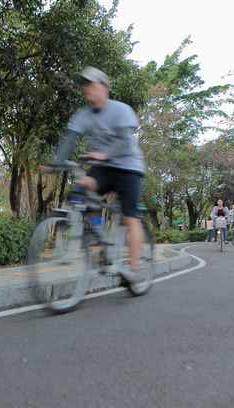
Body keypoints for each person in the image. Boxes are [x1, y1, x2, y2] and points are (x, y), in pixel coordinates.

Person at [43, 66, 146, 286]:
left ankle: (134, 268)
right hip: (104, 167)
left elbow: (124, 139)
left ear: (104, 87)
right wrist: (55, 162)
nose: (86, 89)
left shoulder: (120, 110)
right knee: (82, 190)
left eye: (91, 84)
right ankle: (101, 238)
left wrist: (104, 153)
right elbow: (69, 140)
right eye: (84, 85)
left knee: (130, 216)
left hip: (129, 167)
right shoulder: (83, 115)